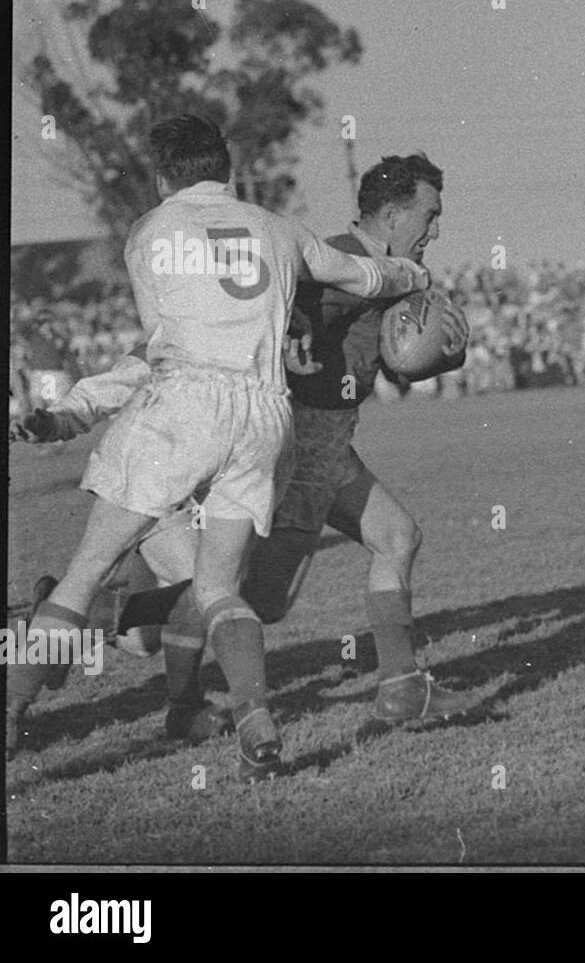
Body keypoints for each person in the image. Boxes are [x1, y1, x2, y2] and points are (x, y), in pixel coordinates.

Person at [5, 116, 430, 779]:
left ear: (161, 176)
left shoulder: (148, 234)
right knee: (220, 588)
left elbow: (157, 351)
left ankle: (11, 709)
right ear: (228, 169)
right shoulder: (280, 228)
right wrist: (410, 276)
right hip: (264, 417)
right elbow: (365, 277)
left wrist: (72, 413)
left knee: (86, 572)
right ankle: (257, 721)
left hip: (181, 406)